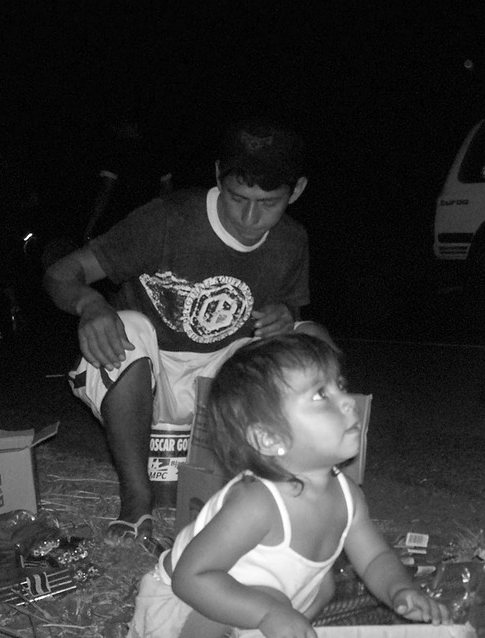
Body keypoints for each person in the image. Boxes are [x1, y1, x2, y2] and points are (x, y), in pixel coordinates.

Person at [43, 116, 333, 548]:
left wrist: (284, 315)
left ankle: (288, 484)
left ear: (298, 190)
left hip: (218, 384)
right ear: (218, 175)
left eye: (269, 203)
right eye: (237, 198)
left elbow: (290, 308)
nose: (250, 218)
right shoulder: (169, 219)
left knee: (313, 339)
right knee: (128, 324)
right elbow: (62, 273)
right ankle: (136, 496)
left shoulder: (292, 240)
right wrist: (91, 305)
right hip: (145, 374)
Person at [126, 334, 451, 637]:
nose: (348, 401)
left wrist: (400, 590)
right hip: (189, 608)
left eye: (339, 385)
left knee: (323, 585)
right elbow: (190, 579)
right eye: (321, 394)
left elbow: (375, 558)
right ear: (269, 438)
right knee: (269, 595)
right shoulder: (257, 503)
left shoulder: (348, 496)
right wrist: (269, 613)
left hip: (268, 601)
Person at [84, 116, 174, 244]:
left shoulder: (116, 151)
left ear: (134, 126)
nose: (116, 129)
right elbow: (167, 188)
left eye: (121, 125)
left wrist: (91, 226)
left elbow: (106, 190)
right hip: (149, 222)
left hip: (121, 223)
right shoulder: (156, 151)